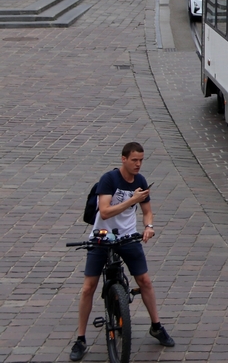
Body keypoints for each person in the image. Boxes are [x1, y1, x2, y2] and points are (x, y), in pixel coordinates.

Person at [70, 142, 174, 361]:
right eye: (134, 160)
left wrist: (149, 226)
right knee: (88, 287)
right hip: (102, 236)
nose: (138, 164)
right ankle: (80, 339)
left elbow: (147, 212)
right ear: (123, 159)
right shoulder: (109, 179)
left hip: (127, 237)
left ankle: (156, 326)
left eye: (141, 160)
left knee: (145, 281)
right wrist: (132, 200)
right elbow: (105, 212)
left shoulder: (141, 181)